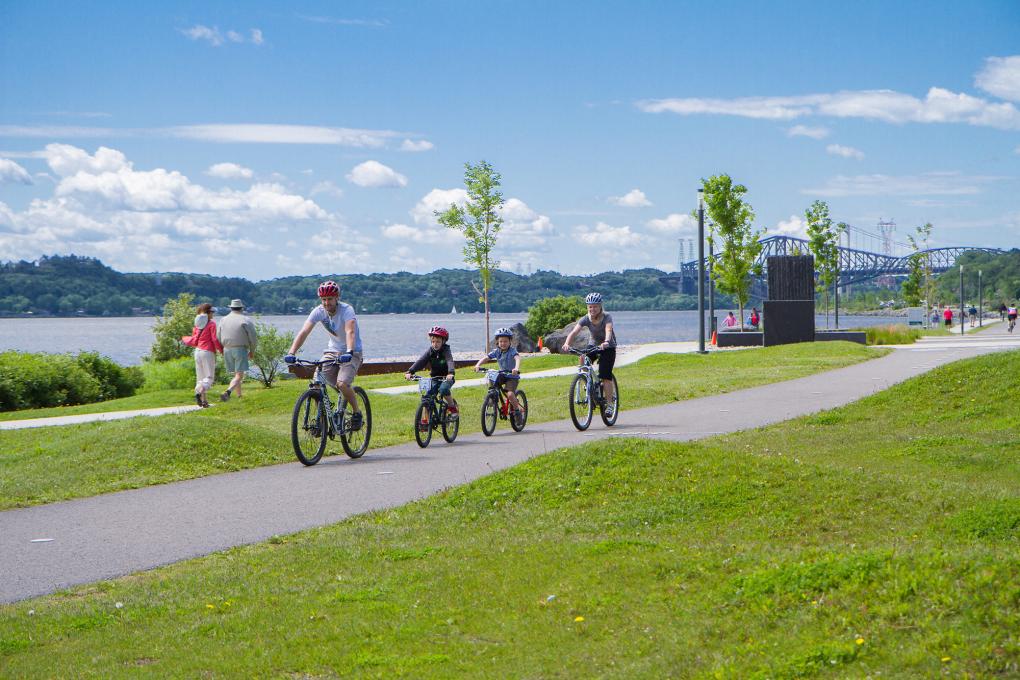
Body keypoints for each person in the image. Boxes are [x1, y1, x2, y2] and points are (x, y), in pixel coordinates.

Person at [284, 280, 365, 430]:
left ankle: (357, 413)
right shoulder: (319, 311)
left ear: (337, 298)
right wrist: (291, 352)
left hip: (352, 352)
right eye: (324, 300)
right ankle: (320, 419)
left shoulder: (347, 310)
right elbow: (304, 332)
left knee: (342, 384)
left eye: (330, 299)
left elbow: (350, 332)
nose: (326, 303)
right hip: (331, 351)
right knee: (316, 383)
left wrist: (349, 351)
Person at [562, 292, 617, 417]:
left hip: (608, 347)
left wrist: (607, 341)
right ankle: (585, 379)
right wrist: (566, 343)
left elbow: (608, 330)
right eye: (590, 306)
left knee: (605, 375)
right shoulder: (586, 318)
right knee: (583, 357)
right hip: (594, 345)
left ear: (600, 306)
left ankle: (609, 404)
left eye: (595, 306)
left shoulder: (607, 317)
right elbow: (574, 332)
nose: (592, 309)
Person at [405, 326, 459, 418]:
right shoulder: (430, 351)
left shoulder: (446, 350)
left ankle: (452, 406)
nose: (435, 344)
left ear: (443, 341)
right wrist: (410, 371)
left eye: (438, 342)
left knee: (443, 389)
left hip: (446, 378)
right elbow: (421, 361)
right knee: (427, 398)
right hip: (434, 378)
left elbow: (450, 360)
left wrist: (450, 373)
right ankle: (426, 421)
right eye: (433, 342)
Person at [182, 302, 223, 408]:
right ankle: (198, 392)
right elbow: (214, 339)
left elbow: (194, 339)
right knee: (209, 378)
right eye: (212, 312)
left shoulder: (197, 326)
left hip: (197, 352)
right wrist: (221, 350)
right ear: (207, 313)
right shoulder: (211, 324)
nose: (213, 314)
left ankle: (204, 401)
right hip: (207, 352)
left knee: (200, 378)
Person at [474, 327, 523, 415]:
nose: (503, 343)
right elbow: (486, 358)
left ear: (510, 342)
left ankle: (517, 410)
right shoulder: (497, 351)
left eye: (505, 341)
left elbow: (517, 358)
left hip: (512, 376)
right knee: (493, 377)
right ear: (497, 342)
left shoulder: (512, 351)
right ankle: (492, 397)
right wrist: (478, 365)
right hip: (503, 374)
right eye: (501, 341)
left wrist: (516, 368)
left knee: (510, 394)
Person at [216, 299, 258, 401]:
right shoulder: (245, 320)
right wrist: (252, 351)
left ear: (231, 308)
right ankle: (228, 392)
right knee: (239, 375)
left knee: (236, 374)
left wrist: (222, 348)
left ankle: (239, 395)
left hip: (227, 349)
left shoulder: (223, 320)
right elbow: (253, 338)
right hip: (240, 348)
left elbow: (218, 336)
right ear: (241, 308)